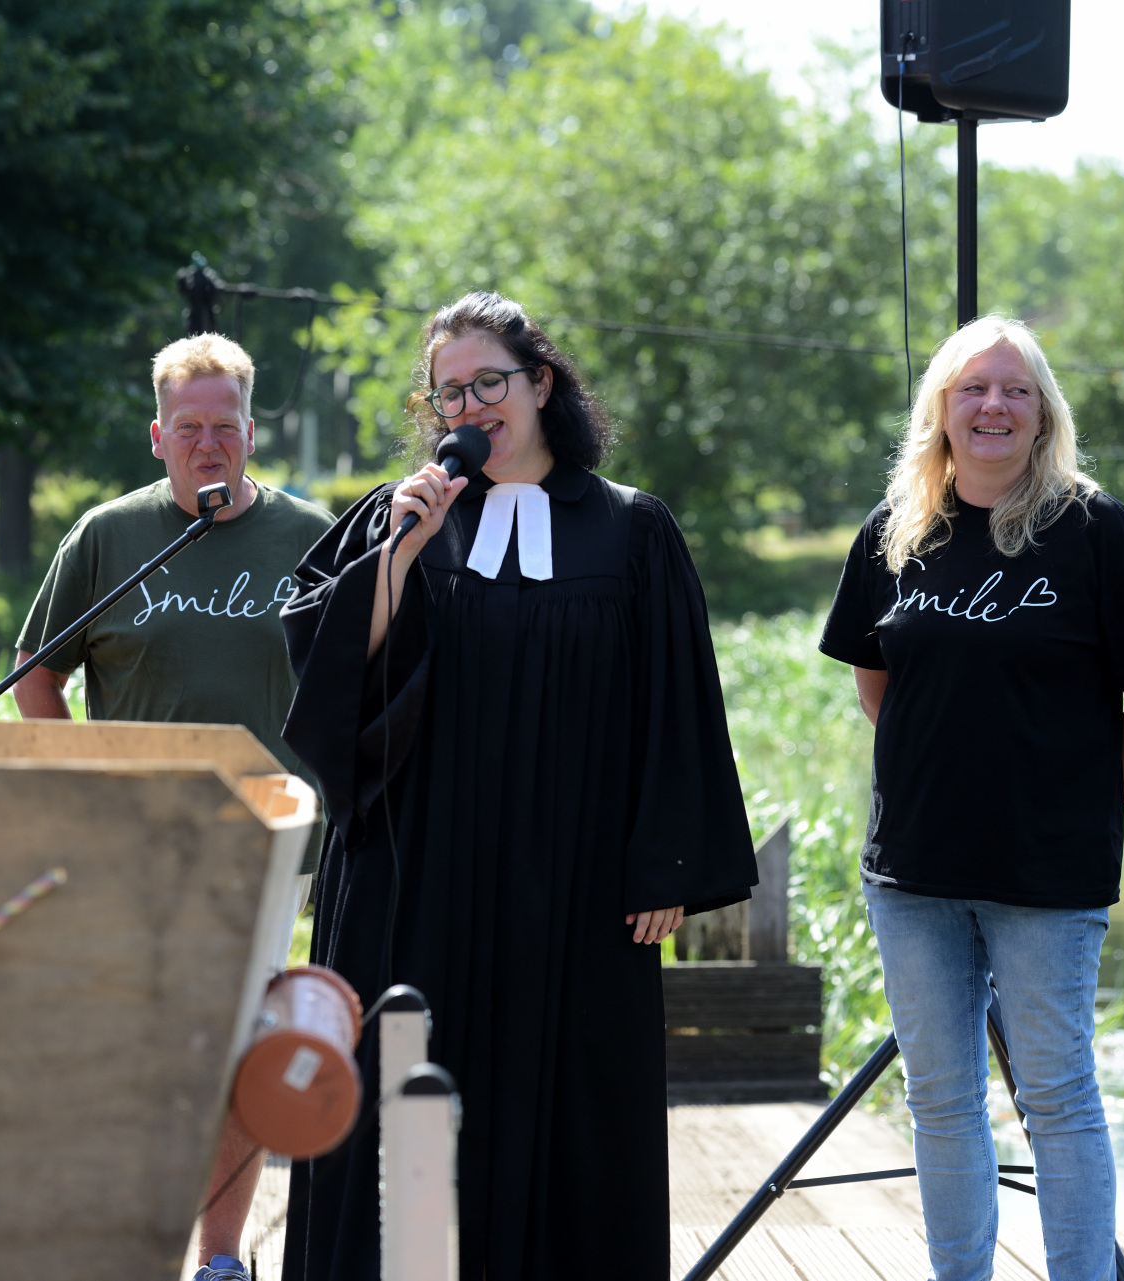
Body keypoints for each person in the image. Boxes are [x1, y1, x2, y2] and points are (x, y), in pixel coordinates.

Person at [279, 293, 756, 1280]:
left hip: (572, 885)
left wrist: (664, 859)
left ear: (541, 385)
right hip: (418, 873)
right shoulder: (400, 517)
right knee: (397, 1101)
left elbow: (677, 704)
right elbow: (329, 678)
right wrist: (401, 553)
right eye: (448, 393)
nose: (469, 408)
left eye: (487, 383)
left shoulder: (631, 533)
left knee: (569, 1110)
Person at [817, 316, 1124, 1281]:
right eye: (974, 387)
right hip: (913, 873)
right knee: (941, 1100)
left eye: (1016, 389)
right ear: (941, 408)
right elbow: (876, 681)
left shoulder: (1101, 534)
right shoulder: (895, 535)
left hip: (1046, 876)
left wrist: (1081, 807)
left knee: (1058, 1098)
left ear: (1044, 413)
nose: (994, 405)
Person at [15, 333, 334, 1281]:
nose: (207, 444)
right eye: (187, 427)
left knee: (234, 1051)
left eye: (224, 426)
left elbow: (365, 680)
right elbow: (38, 677)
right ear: (157, 435)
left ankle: (221, 1259)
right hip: (136, 848)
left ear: (250, 429)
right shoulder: (108, 536)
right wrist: (87, 785)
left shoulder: (311, 537)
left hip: (265, 847)